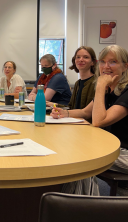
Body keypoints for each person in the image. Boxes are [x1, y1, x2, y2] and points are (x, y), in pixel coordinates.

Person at [51, 45, 128, 193]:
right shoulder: (108, 90)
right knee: (76, 152)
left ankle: (88, 210)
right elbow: (86, 112)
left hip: (124, 153)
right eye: (103, 62)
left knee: (82, 158)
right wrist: (64, 113)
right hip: (111, 148)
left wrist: (99, 86)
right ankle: (75, 203)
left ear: (125, 66)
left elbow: (99, 120)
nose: (106, 66)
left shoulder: (124, 91)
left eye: (113, 62)